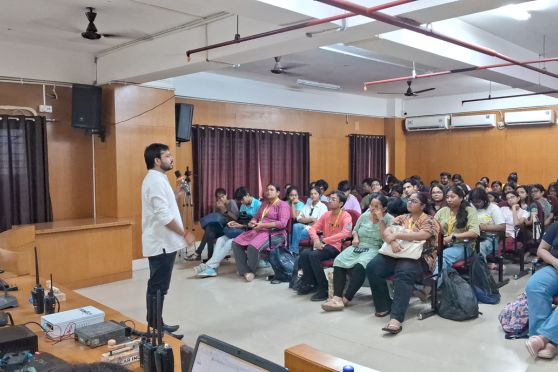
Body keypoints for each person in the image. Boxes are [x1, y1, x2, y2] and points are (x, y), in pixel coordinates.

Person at [366, 192, 440, 334]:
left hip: (420, 257)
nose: (410, 203)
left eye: (414, 201)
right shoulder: (401, 218)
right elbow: (386, 234)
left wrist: (397, 235)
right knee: (373, 267)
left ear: (423, 205)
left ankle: (396, 318)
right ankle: (384, 305)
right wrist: (392, 240)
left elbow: (423, 235)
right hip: (398, 252)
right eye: (409, 200)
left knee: (403, 271)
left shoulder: (429, 220)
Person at [141, 143, 186, 337]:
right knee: (158, 287)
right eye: (167, 156)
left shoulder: (159, 179)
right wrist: (185, 234)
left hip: (164, 243)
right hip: (161, 244)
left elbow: (163, 206)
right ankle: (155, 329)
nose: (171, 159)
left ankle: (157, 324)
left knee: (159, 287)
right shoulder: (155, 181)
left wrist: (176, 194)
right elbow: (163, 216)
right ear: (157, 160)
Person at [322, 193, 394, 311]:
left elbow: (385, 238)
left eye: (377, 207)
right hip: (359, 244)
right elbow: (355, 230)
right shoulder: (365, 215)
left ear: (384, 208)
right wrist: (355, 238)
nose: (373, 209)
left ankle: (346, 299)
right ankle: (337, 297)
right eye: (371, 205)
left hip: (375, 247)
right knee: (339, 260)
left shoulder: (389, 219)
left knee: (360, 264)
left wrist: (380, 219)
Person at [297, 191, 352, 301]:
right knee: (304, 254)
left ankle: (324, 288)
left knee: (314, 255)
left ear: (341, 204)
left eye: (333, 199)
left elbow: (346, 233)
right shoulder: (326, 214)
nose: (329, 201)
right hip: (322, 244)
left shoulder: (346, 216)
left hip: (336, 246)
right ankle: (311, 283)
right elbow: (313, 228)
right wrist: (316, 239)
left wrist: (325, 240)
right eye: (329, 199)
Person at [195, 187, 261, 278]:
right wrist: (235, 223)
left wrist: (241, 225)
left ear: (248, 195)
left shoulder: (258, 205)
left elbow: (258, 225)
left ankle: (209, 266)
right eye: (240, 201)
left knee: (231, 242)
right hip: (241, 230)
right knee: (220, 239)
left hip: (251, 232)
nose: (241, 203)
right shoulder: (243, 205)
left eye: (242, 200)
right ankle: (213, 268)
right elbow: (240, 220)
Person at [232, 184, 290, 282]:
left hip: (275, 233)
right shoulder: (264, 204)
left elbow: (282, 224)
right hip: (259, 230)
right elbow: (257, 217)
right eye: (267, 189)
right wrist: (253, 221)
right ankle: (244, 270)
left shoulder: (283, 205)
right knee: (236, 243)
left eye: (272, 189)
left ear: (278, 193)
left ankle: (251, 271)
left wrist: (263, 225)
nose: (268, 191)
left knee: (252, 246)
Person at [525, 221, 558, 360]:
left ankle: (546, 339)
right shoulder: (556, 225)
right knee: (534, 285)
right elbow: (541, 249)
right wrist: (555, 262)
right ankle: (540, 337)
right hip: (555, 267)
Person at [434, 186, 480, 272]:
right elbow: (432, 226)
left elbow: (474, 233)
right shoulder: (443, 210)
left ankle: (436, 283)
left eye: (452, 197)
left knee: (443, 257)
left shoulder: (469, 211)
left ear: (461, 198)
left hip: (463, 246)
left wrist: (453, 237)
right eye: (447, 197)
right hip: (442, 245)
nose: (449, 200)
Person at [187, 188, 239, 262]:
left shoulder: (231, 202)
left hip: (229, 228)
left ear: (226, 195)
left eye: (223, 197)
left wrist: (224, 210)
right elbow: (216, 218)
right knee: (210, 230)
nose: (221, 199)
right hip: (220, 227)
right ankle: (209, 257)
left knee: (209, 230)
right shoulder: (218, 204)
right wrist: (217, 209)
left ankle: (199, 254)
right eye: (219, 197)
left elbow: (236, 218)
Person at [289, 186, 328, 254]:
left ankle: (293, 252)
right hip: (305, 227)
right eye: (311, 194)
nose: (313, 195)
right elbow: (298, 218)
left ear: (319, 195)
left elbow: (319, 223)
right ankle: (294, 251)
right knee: (296, 226)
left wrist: (305, 221)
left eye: (315, 193)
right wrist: (311, 219)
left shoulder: (323, 207)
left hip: (314, 231)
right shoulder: (307, 205)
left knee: (290, 236)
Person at [468, 188, 505, 259]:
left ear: (485, 200)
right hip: (472, 237)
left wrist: (480, 227)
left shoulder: (493, 208)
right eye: (473, 202)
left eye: (478, 202)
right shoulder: (470, 206)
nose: (476, 204)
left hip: (489, 238)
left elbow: (502, 227)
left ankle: (481, 267)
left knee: (479, 248)